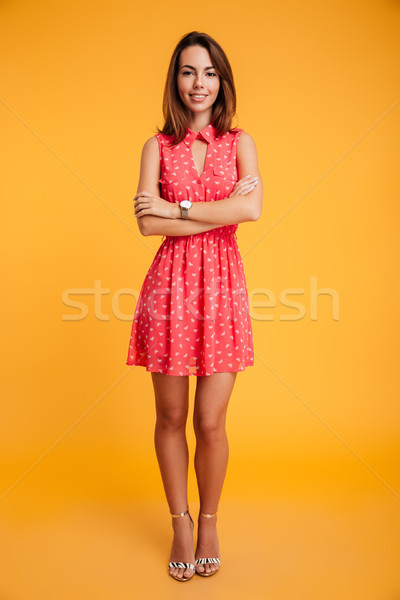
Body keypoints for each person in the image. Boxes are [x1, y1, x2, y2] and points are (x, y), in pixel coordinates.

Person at [126, 31, 263, 581]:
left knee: (210, 420)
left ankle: (209, 520)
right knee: (170, 416)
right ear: (175, 80)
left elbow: (250, 211)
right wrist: (215, 208)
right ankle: (180, 522)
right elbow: (145, 222)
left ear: (222, 82)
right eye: (188, 72)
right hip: (170, 287)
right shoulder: (156, 147)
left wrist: (177, 207)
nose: (198, 83)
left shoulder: (241, 143)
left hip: (222, 285)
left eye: (208, 73)